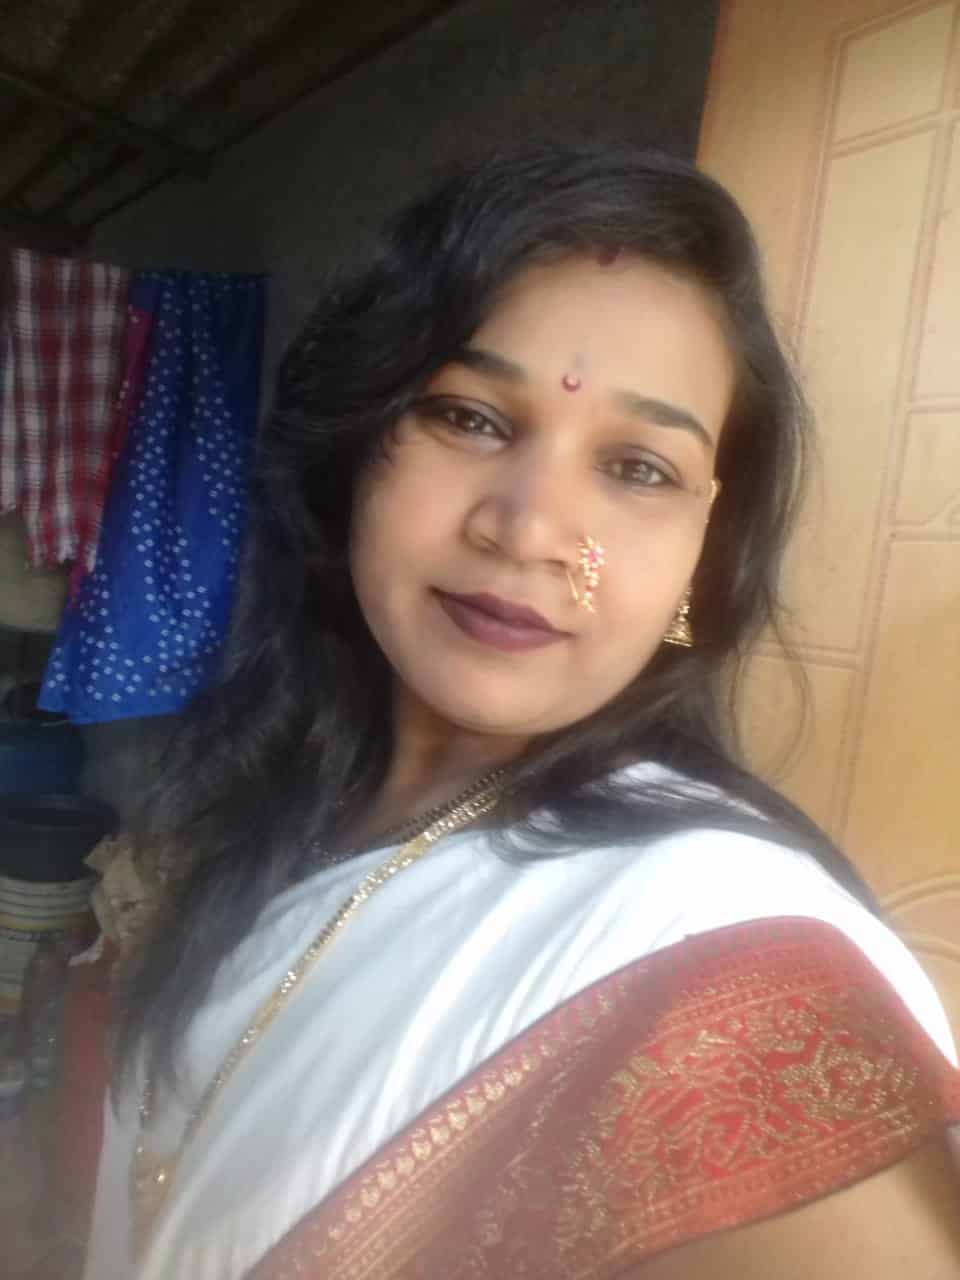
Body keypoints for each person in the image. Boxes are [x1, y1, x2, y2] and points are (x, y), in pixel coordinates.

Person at [82, 144, 960, 1279]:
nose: (528, 527)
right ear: (356, 450)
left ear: (705, 554)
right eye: (470, 418)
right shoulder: (280, 806)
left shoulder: (727, 959)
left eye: (639, 469)